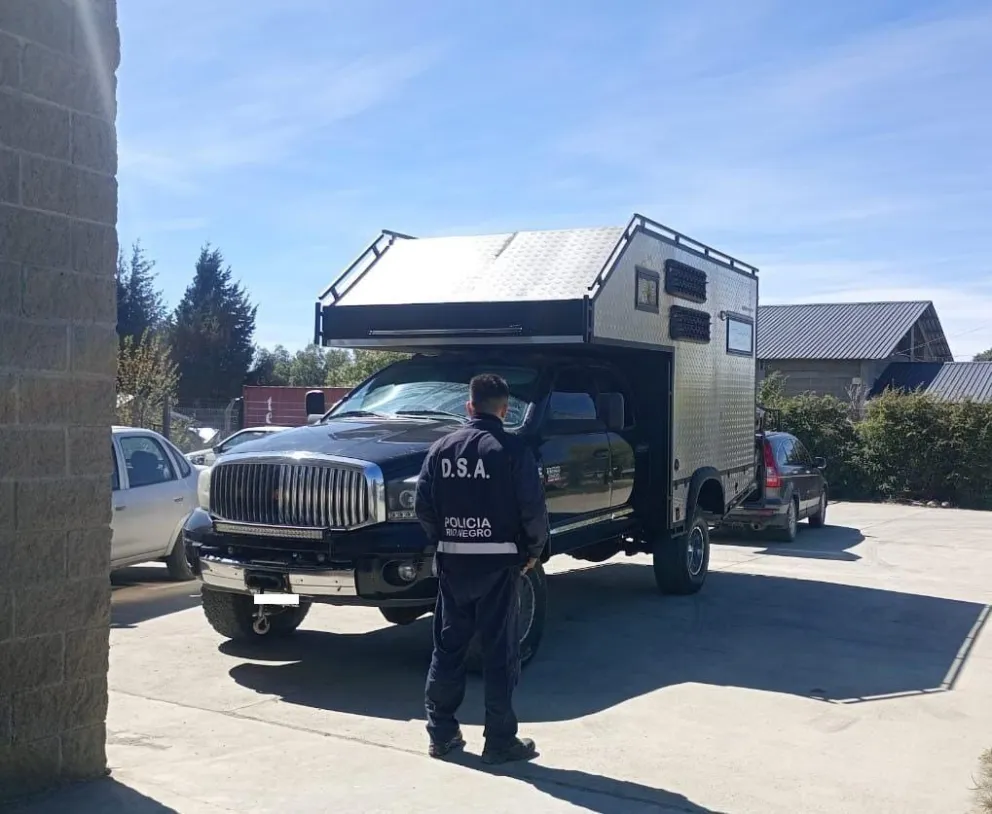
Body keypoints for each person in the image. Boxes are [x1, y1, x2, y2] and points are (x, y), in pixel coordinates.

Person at [414, 372, 550, 764]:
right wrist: (534, 550)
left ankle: (441, 735)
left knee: (447, 650)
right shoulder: (513, 450)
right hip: (500, 566)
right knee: (499, 652)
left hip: (454, 566)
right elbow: (533, 510)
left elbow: (423, 507)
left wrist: (444, 540)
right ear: (505, 410)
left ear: (469, 406)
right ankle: (500, 740)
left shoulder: (441, 449)